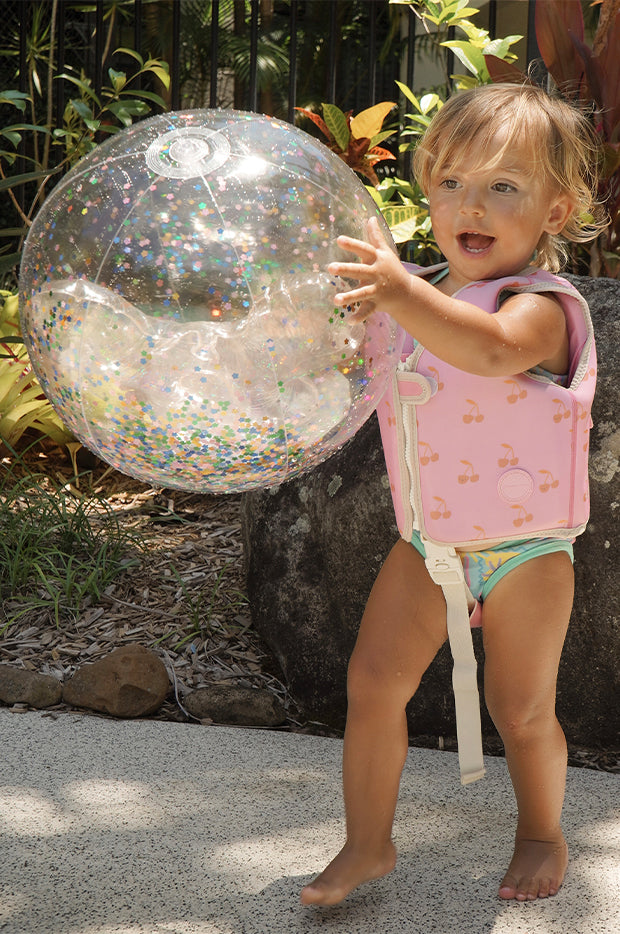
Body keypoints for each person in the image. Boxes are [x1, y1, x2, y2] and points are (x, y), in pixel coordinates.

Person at [300, 83, 605, 907]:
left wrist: (402, 295)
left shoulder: (539, 307)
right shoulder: (420, 292)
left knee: (521, 707)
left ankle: (542, 831)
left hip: (525, 551)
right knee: (373, 682)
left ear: (555, 208)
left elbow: (495, 354)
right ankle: (367, 845)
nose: (471, 204)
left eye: (503, 186)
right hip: (427, 545)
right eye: (450, 183)